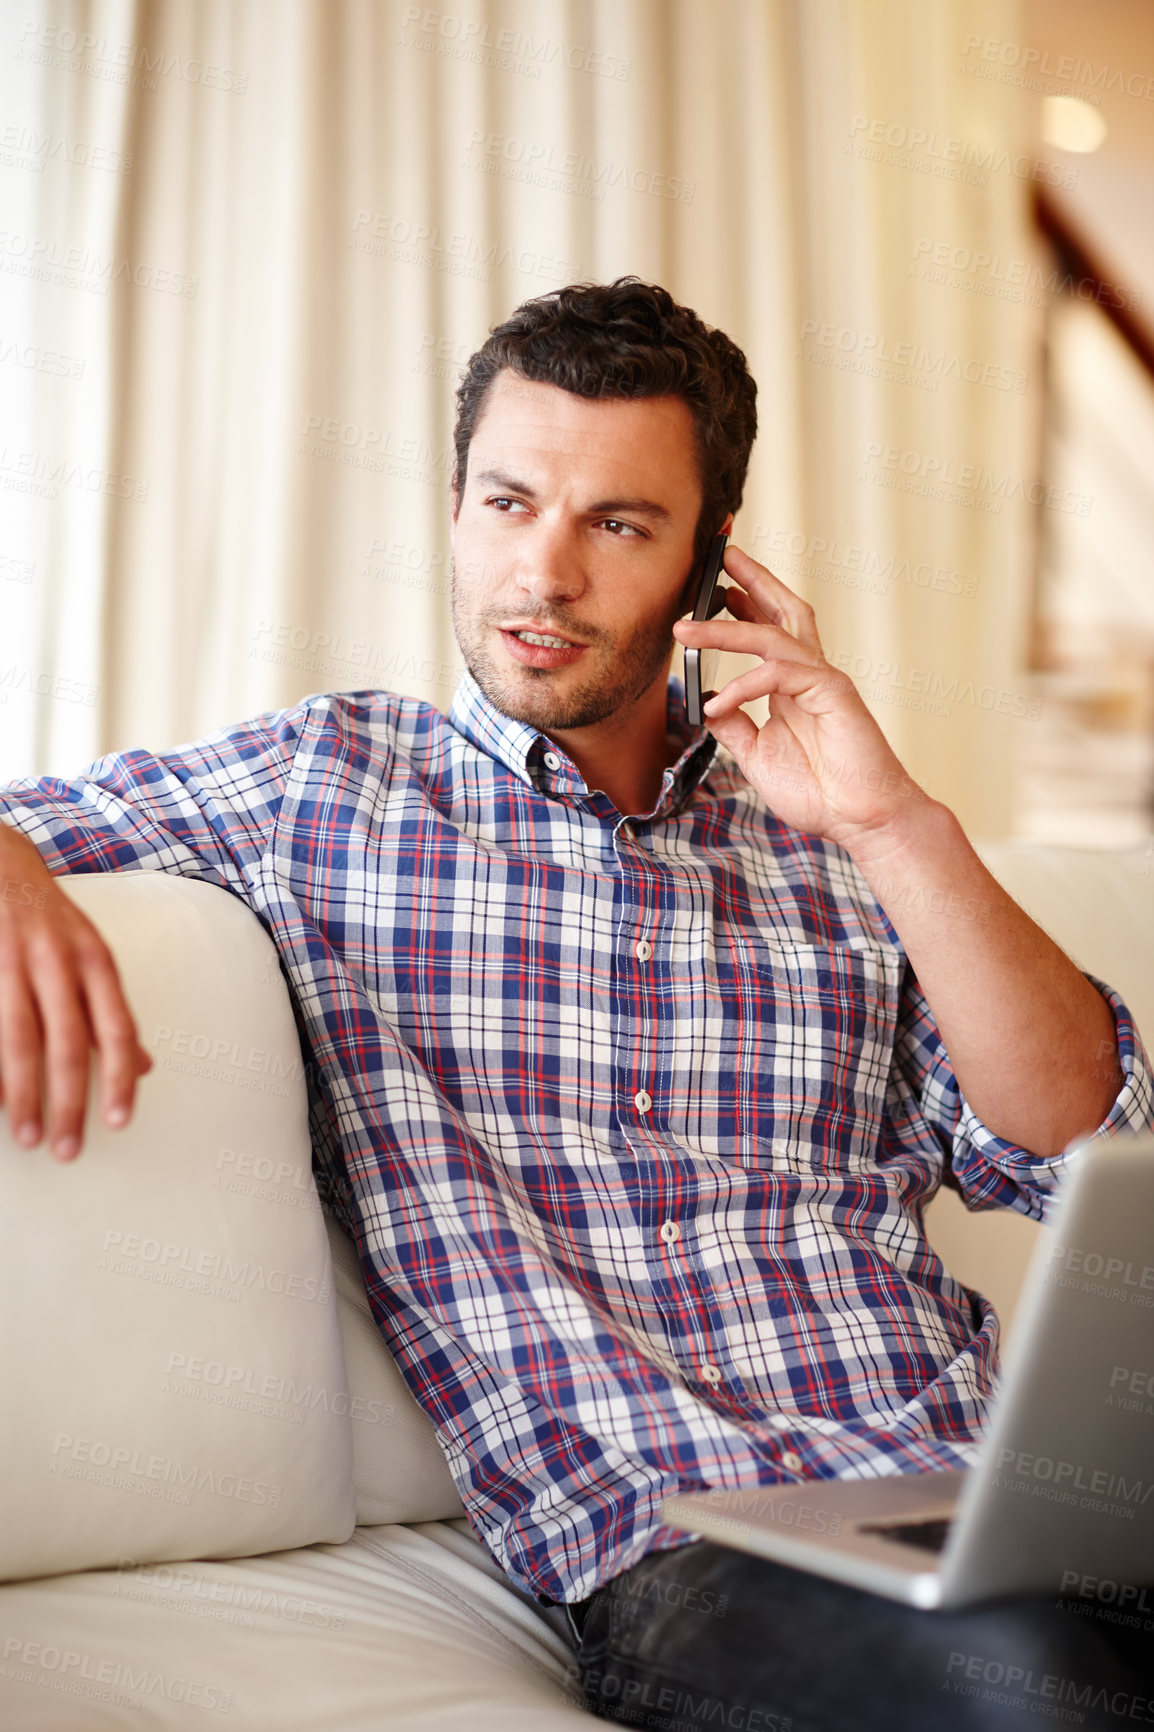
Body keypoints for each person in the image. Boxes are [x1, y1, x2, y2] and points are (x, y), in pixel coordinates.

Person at [0, 279, 1150, 1729]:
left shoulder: (835, 845)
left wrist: (897, 826)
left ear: (706, 571)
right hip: (698, 1547)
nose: (541, 572)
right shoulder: (323, 785)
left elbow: (1077, 1139)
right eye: (505, 501)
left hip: (992, 1484)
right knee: (1042, 1704)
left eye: (617, 524)